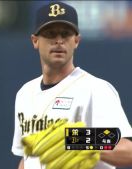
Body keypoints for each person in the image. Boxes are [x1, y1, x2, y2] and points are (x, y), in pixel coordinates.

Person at [11, 1, 132, 169]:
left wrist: (76, 139)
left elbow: (128, 150)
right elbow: (28, 158)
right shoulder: (25, 94)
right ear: (35, 41)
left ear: (76, 41)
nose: (59, 40)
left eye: (65, 34)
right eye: (50, 34)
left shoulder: (95, 89)